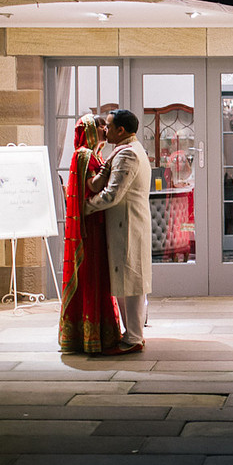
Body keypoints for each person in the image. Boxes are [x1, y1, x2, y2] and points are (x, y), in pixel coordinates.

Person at [85, 108, 152, 354]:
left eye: (109, 126)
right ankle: (130, 334)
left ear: (120, 130)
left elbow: (112, 195)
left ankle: (134, 337)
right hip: (125, 224)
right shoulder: (126, 150)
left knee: (132, 282)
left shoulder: (128, 155)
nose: (105, 129)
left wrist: (86, 207)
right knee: (125, 281)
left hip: (128, 224)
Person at [58, 114, 123, 353]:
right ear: (90, 130)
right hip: (90, 226)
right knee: (91, 275)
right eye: (101, 126)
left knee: (99, 275)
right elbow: (91, 187)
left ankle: (100, 333)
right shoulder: (84, 154)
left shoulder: (94, 154)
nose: (105, 129)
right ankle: (89, 337)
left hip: (98, 220)